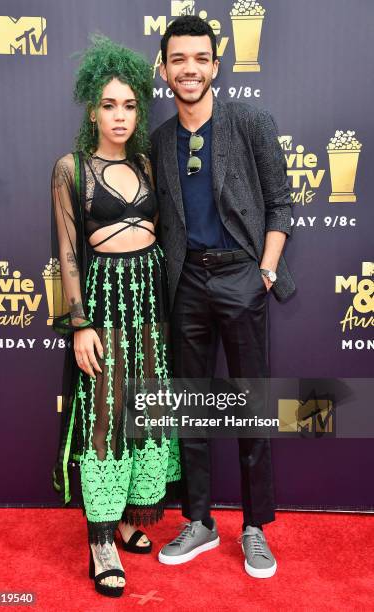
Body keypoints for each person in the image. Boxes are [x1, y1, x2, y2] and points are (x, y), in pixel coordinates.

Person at [150, 16, 295, 578]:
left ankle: (255, 527)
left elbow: (281, 204)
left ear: (216, 63)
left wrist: (264, 270)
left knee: (251, 404)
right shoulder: (161, 140)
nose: (189, 68)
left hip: (241, 276)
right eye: (178, 59)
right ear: (164, 69)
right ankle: (200, 521)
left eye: (200, 58)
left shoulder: (250, 121)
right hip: (186, 282)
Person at [50, 35, 180, 598]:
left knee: (144, 409)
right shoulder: (71, 168)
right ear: (91, 108)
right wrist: (80, 324)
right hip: (103, 303)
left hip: (152, 303)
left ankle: (130, 518)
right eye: (108, 105)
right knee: (104, 411)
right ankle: (101, 536)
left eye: (129, 104)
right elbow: (69, 252)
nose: (120, 115)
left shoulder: (150, 161)